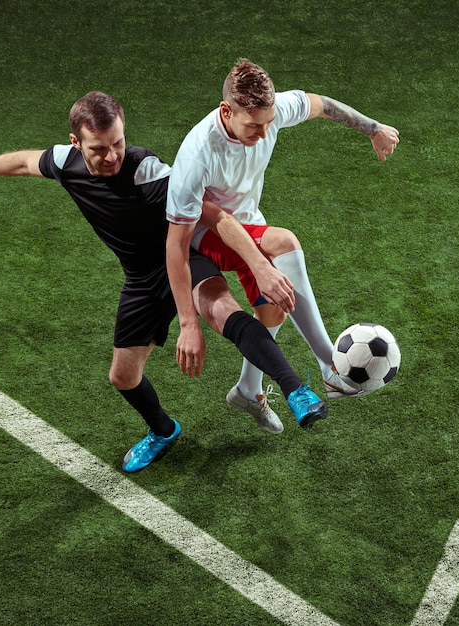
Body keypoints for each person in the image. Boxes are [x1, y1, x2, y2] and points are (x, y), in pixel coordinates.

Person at [0, 91, 329, 473]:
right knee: (123, 376)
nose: (112, 155)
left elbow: (215, 217)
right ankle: (163, 429)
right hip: (141, 277)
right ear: (76, 144)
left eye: (118, 142)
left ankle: (297, 392)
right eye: (99, 148)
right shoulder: (66, 164)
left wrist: (256, 266)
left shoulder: (147, 171)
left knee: (223, 311)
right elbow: (25, 161)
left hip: (184, 258)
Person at [166, 58, 399, 431]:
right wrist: (187, 323)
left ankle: (247, 389)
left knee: (273, 310)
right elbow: (175, 246)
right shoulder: (197, 157)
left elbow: (321, 104)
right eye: (254, 125)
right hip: (203, 235)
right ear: (226, 111)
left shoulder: (269, 114)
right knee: (284, 242)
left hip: (247, 225)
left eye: (270, 122)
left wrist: (373, 129)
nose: (264, 132)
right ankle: (329, 365)